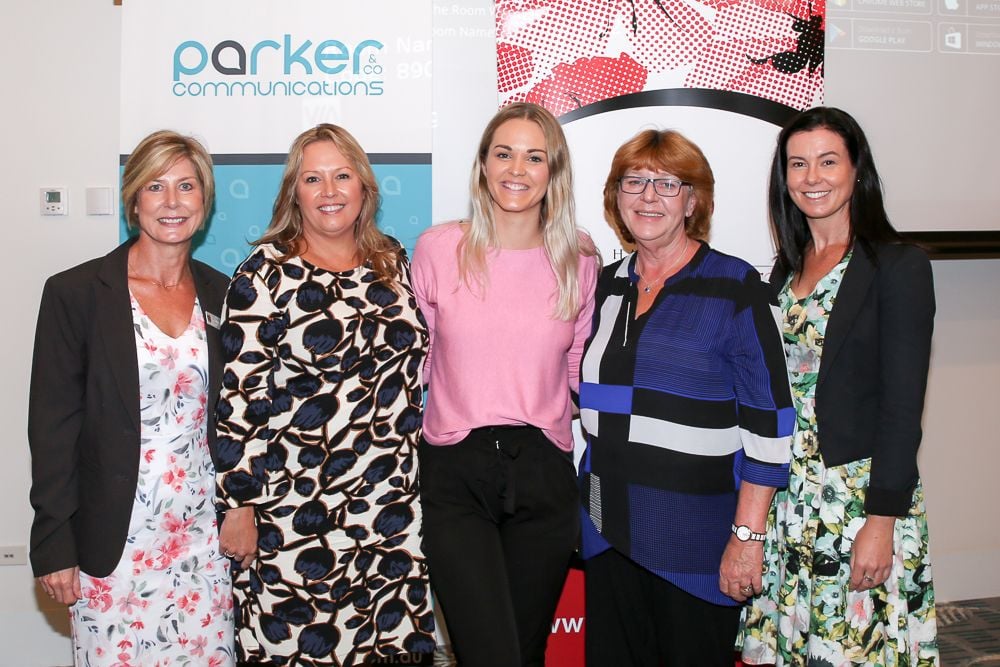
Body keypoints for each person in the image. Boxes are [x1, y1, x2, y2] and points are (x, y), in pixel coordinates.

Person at [214, 123, 436, 665]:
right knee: (302, 650)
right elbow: (240, 397)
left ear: (365, 186)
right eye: (313, 179)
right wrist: (238, 506)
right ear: (294, 191)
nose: (330, 191)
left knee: (391, 650)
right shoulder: (263, 276)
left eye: (342, 176)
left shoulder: (394, 263)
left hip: (391, 507)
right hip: (296, 514)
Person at [576, 129, 795, 666]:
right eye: (634, 182)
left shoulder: (735, 286)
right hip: (607, 530)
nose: (648, 196)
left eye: (668, 184)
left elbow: (769, 426)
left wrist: (747, 537)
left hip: (695, 544)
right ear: (615, 197)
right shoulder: (603, 287)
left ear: (693, 201)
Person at [739, 107, 939, 665]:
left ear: (857, 170)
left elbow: (902, 408)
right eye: (797, 164)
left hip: (854, 501)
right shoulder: (784, 269)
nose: (812, 178)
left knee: (852, 649)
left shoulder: (898, 267)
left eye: (828, 162)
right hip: (787, 496)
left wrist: (881, 522)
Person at [28, 130, 234, 665]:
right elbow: (52, 430)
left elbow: (242, 418)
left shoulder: (226, 294)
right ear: (133, 200)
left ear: (205, 200)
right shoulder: (76, 294)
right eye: (155, 186)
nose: (172, 202)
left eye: (186, 186)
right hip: (112, 546)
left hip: (204, 545)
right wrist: (54, 542)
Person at [410, 102, 599, 667]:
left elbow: (577, 366)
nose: (517, 169)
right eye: (504, 154)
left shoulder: (578, 258)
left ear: (553, 171)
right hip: (454, 469)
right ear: (483, 165)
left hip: (543, 470)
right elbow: (418, 357)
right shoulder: (439, 248)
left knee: (525, 651)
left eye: (534, 157)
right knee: (488, 653)